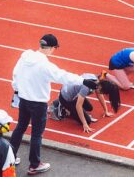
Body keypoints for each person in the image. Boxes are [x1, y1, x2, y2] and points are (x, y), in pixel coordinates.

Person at [10, 34, 98, 175]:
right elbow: (63, 76)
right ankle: (34, 164)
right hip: (38, 103)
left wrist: (17, 91)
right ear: (51, 48)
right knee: (36, 134)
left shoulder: (24, 57)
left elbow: (15, 75)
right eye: (55, 48)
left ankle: (10, 158)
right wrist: (83, 81)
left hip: (23, 99)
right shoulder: (45, 65)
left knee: (20, 128)